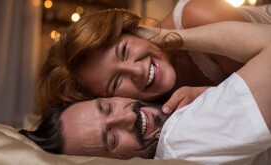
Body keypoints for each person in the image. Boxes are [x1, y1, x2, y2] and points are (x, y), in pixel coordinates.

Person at [20, 22, 271, 164]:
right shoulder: (177, 139)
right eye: (112, 140)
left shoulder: (188, 20)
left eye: (107, 108)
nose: (128, 118)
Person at [35, 4, 271, 116]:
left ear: (135, 31)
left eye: (125, 50)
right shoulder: (146, 111)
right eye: (116, 83)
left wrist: (168, 38)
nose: (136, 71)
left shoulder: (198, 15)